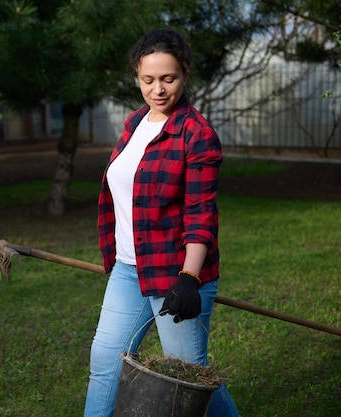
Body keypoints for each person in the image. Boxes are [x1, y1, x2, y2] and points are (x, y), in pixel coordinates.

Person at [84, 29, 239, 417]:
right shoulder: (135, 123)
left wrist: (189, 277)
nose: (158, 89)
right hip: (128, 269)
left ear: (185, 75)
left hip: (176, 275)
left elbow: (201, 212)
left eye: (168, 79)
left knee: (188, 376)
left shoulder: (198, 135)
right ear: (137, 76)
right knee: (106, 360)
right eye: (148, 79)